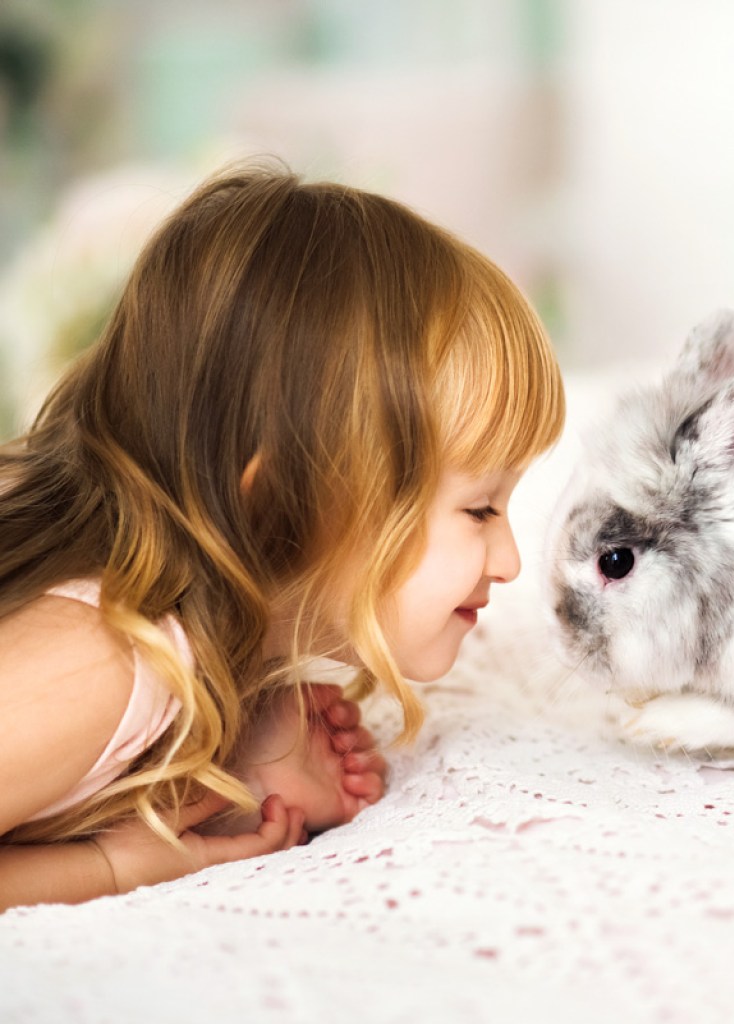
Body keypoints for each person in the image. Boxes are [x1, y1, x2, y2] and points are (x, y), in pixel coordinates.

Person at [0, 163, 565, 910]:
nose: (511, 560)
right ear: (284, 503)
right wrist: (109, 870)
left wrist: (244, 775)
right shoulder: (102, 663)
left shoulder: (203, 642)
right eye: (480, 510)